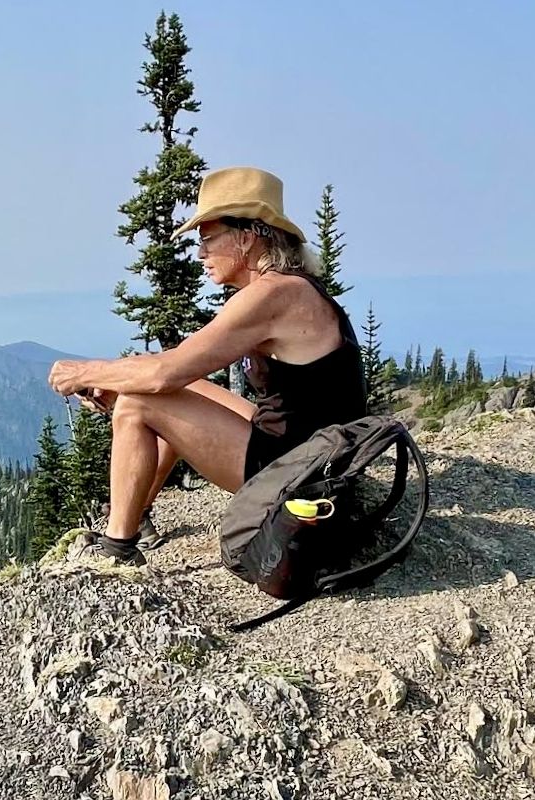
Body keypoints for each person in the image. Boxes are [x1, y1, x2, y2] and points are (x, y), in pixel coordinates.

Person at [47, 166, 367, 563]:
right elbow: (172, 369)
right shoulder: (292, 288)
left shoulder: (272, 295)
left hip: (300, 472)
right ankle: (137, 513)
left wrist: (85, 372)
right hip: (314, 451)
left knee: (138, 403)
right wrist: (120, 378)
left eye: (208, 239)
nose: (200, 253)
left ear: (247, 237)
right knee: (164, 389)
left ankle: (117, 548)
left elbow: (167, 372)